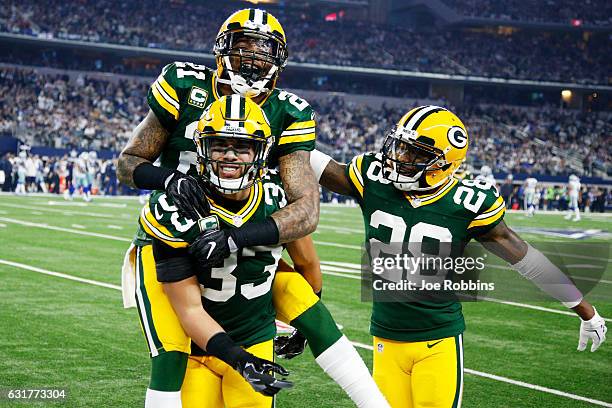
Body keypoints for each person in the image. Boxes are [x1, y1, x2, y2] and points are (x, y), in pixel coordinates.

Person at [308, 105, 608, 408]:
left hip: (437, 342)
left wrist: (586, 311)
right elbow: (315, 162)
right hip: (385, 338)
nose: (401, 158)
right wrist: (277, 126)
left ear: (445, 164)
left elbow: (528, 261)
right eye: (401, 147)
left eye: (416, 154)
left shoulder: (466, 203)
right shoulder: (373, 179)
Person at [124, 95, 389, 407]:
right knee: (169, 357)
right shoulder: (172, 209)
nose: (231, 157)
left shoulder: (276, 197)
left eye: (242, 147)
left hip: (255, 329)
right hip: (205, 339)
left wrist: (305, 323)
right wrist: (241, 360)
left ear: (261, 152)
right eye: (220, 145)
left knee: (312, 310)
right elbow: (190, 311)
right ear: (201, 149)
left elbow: (307, 264)